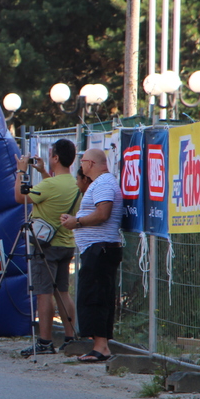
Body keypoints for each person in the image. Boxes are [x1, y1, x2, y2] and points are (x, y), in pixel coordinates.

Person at [14, 140, 80, 356]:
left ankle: (45, 342)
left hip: (45, 247)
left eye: (51, 155)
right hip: (66, 244)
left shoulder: (50, 185)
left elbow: (20, 197)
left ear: (56, 158)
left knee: (44, 294)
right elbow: (52, 192)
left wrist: (20, 171)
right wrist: (43, 172)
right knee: (63, 292)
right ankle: (70, 339)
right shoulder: (73, 183)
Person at [60, 148, 122, 362]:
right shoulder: (100, 183)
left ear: (90, 163)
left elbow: (103, 214)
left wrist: (76, 222)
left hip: (100, 249)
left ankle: (101, 347)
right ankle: (100, 345)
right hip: (97, 249)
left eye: (83, 161)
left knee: (95, 297)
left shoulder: (103, 183)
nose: (81, 165)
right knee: (95, 295)